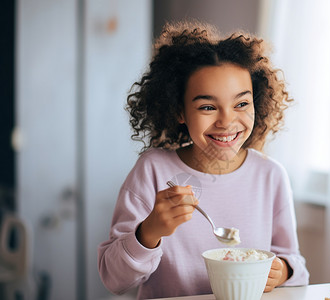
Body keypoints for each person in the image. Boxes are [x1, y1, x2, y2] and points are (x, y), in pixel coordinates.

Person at [97, 21, 309, 299]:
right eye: (208, 107)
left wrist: (283, 270)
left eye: (241, 104)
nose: (227, 121)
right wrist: (148, 232)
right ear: (179, 111)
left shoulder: (271, 175)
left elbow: (296, 267)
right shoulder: (153, 170)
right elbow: (114, 280)